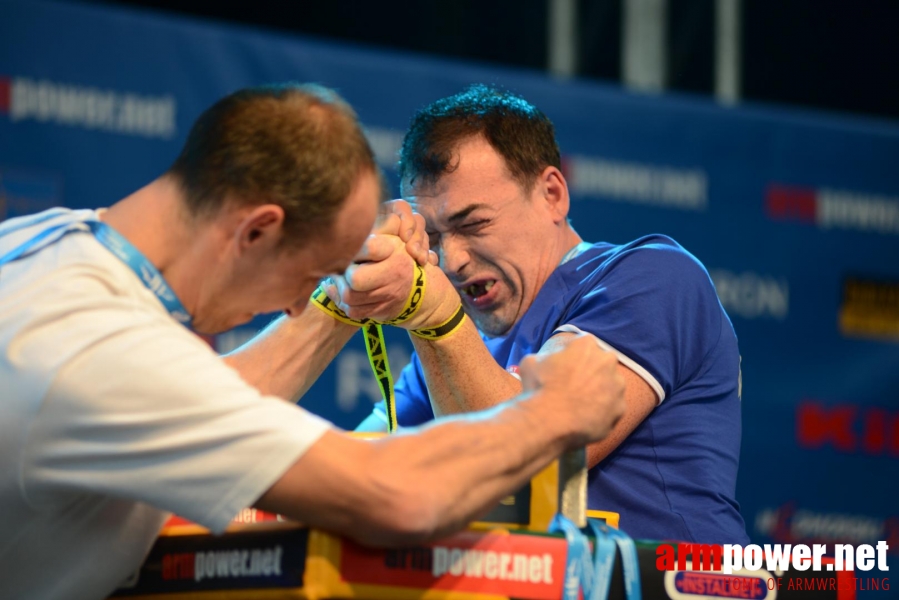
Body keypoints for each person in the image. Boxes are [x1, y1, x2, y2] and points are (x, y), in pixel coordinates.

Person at [0, 83, 626, 600]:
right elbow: (394, 496)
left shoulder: (42, 246)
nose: (298, 304)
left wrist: (345, 293)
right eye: (308, 277)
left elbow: (204, 403)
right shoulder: (101, 355)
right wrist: (551, 412)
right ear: (256, 232)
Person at [341, 85, 749, 544]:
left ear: (553, 193)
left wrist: (432, 315)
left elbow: (529, 462)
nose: (451, 260)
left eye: (474, 224)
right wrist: (336, 295)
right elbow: (351, 477)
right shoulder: (449, 350)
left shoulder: (652, 276)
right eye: (431, 238)